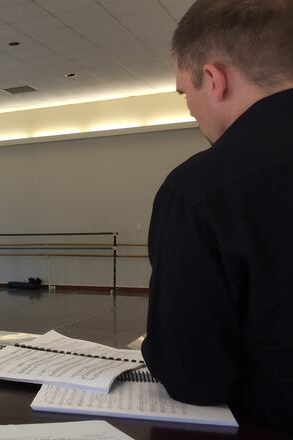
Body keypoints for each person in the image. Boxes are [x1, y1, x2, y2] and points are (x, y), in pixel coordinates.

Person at [141, 0, 293, 433]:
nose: (189, 108)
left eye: (184, 91)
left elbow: (191, 375)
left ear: (214, 78)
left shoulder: (197, 189)